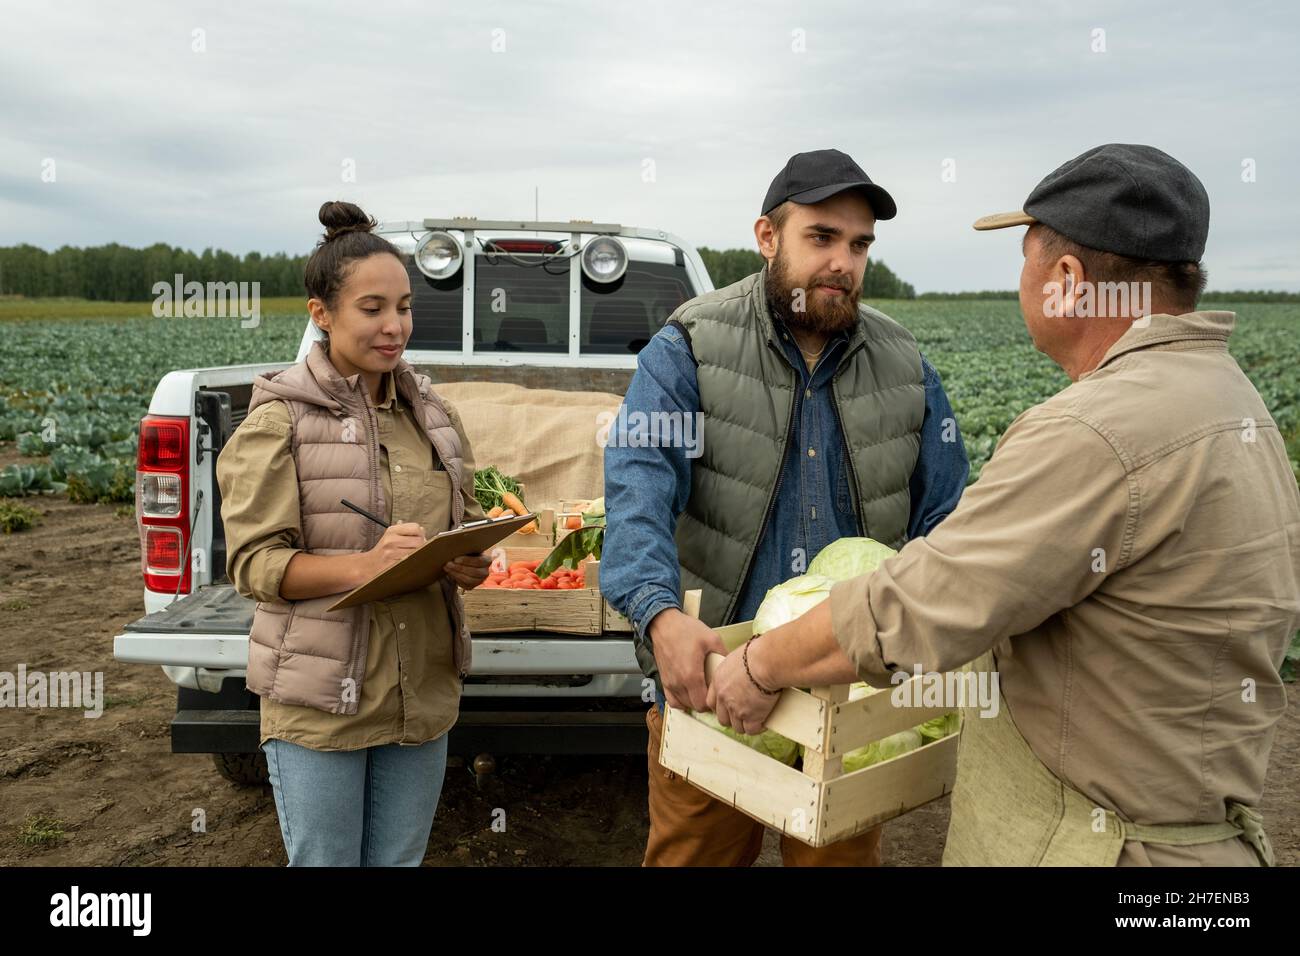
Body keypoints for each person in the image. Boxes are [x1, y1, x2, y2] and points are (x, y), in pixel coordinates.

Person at [710, 144, 1300, 866]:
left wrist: (761, 663)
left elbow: (918, 604)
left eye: (1026, 258)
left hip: (1100, 846)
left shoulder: (1096, 430)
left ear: (1068, 281)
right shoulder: (1236, 405)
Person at [601, 149, 970, 866]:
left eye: (859, 245)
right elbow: (637, 496)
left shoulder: (904, 363)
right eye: (822, 238)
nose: (844, 262)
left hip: (847, 693)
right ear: (767, 237)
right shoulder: (690, 349)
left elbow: (946, 519)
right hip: (711, 685)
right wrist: (660, 613)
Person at [215, 201, 492, 866]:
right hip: (320, 698)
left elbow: (470, 517)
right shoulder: (279, 421)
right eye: (372, 308)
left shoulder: (434, 415)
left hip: (418, 690)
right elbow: (255, 564)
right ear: (321, 312)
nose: (394, 326)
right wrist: (364, 567)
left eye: (403, 306)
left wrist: (469, 559)